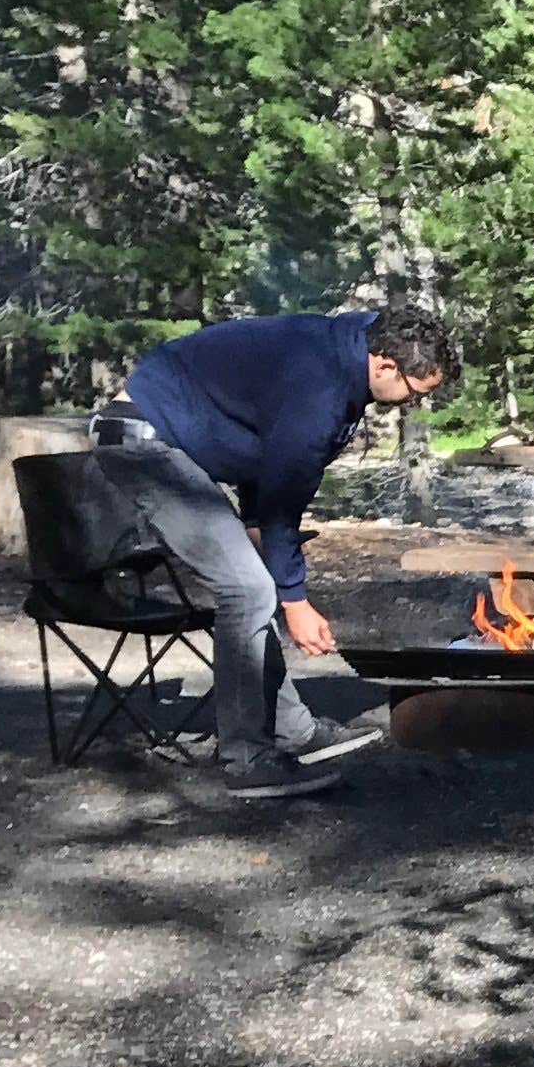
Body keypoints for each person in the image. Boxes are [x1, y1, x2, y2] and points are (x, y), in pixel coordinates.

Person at [94, 302, 452, 801]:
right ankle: (246, 759)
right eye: (413, 393)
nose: (411, 404)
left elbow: (265, 469)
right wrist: (295, 598)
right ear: (385, 365)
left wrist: (269, 547)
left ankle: (292, 731)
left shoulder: (353, 348)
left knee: (256, 585)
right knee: (247, 589)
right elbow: (284, 500)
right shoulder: (320, 390)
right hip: (144, 438)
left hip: (178, 440)